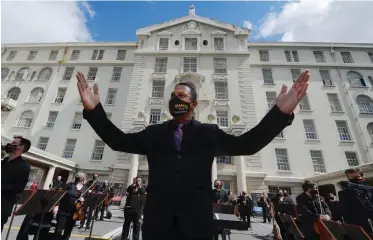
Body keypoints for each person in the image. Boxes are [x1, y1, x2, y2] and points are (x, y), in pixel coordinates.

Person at [76, 69, 309, 240]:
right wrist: (93, 111)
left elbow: (247, 145)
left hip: (197, 227)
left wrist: (280, 113)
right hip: (158, 227)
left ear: (194, 103)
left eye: (182, 96)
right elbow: (118, 141)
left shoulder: (208, 133)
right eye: (173, 96)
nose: (176, 100)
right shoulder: (154, 133)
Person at [1, 136, 31, 232]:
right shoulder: (3, 162)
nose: (10, 145)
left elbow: (18, 188)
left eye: (14, 143)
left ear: (20, 147)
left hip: (3, 206)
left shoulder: (24, 166)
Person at [53, 171, 88, 240]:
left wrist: (83, 199)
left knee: (68, 232)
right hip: (63, 211)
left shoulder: (85, 188)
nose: (79, 178)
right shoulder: (69, 185)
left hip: (74, 213)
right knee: (58, 230)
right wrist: (56, 206)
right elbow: (60, 196)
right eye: (78, 176)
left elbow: (86, 200)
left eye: (81, 177)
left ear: (83, 178)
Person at [339, 168, 373, 237]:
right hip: (358, 229)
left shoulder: (370, 190)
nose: (354, 180)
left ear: (363, 178)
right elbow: (345, 213)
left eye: (357, 177)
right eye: (351, 177)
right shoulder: (344, 194)